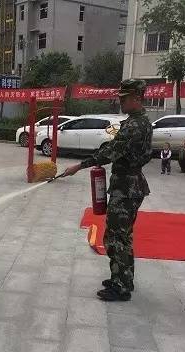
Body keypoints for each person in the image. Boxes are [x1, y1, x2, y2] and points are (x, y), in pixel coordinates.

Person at [62, 79, 153, 302]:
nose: (121, 102)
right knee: (123, 236)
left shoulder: (135, 125)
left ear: (137, 98)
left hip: (126, 189)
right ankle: (123, 279)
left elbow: (112, 152)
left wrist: (79, 166)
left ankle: (120, 287)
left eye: (124, 98)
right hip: (129, 186)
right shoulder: (139, 121)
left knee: (116, 238)